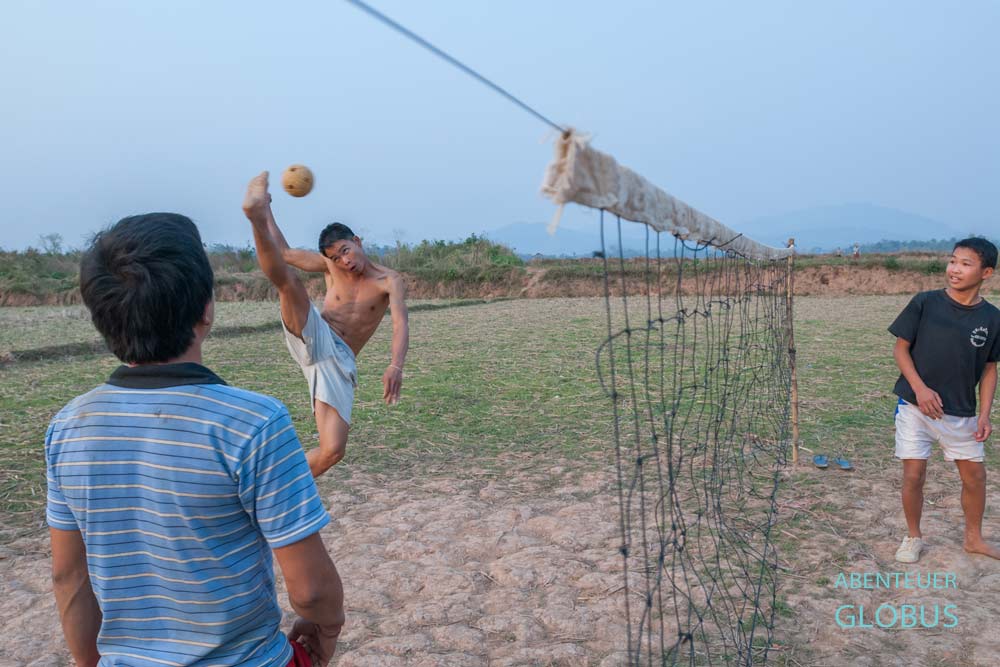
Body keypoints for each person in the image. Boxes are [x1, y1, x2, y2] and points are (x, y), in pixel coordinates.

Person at [47, 213, 345, 666]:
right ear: (206, 308)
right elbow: (312, 590)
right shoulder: (254, 422)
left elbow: (69, 576)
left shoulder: (66, 427)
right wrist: (326, 628)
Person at [242, 172, 409, 477]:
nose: (344, 261)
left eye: (346, 250)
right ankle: (255, 216)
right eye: (336, 256)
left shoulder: (389, 281)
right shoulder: (329, 266)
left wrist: (395, 365)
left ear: (357, 242)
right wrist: (267, 210)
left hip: (339, 361)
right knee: (289, 282)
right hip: (317, 334)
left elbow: (400, 325)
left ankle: (274, 484)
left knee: (332, 451)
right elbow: (285, 254)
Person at [889, 237, 1000, 563]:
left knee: (975, 477)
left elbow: (990, 369)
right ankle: (913, 536)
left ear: (986, 272)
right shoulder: (925, 302)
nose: (955, 269)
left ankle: (974, 539)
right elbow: (900, 349)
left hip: (961, 413)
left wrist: (984, 414)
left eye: (966, 264)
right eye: (953, 261)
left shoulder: (993, 319)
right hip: (914, 407)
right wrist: (920, 390)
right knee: (913, 474)